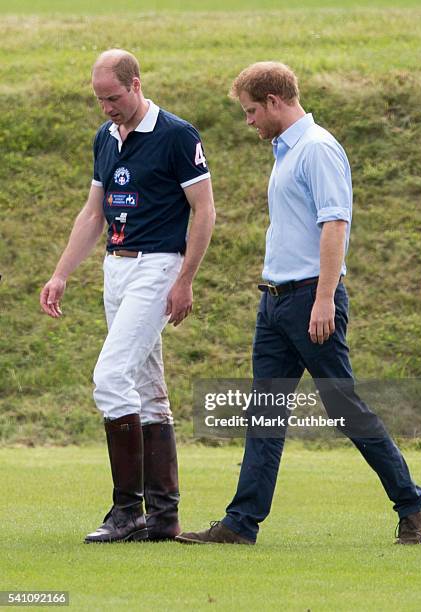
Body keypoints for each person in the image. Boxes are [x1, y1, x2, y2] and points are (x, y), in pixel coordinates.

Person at [176, 62, 421, 546]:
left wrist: (323, 299)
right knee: (265, 412)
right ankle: (240, 524)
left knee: (345, 408)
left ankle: (413, 503)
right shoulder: (285, 152)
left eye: (251, 111)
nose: (248, 121)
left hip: (310, 301)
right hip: (275, 303)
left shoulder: (317, 149)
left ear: (275, 101)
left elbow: (334, 225)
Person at [40, 49, 216, 543]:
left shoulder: (177, 135)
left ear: (135, 84)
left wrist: (185, 279)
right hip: (115, 269)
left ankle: (127, 510)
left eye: (113, 98)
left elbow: (204, 211)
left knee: (111, 376)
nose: (107, 108)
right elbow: (93, 213)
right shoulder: (105, 137)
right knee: (148, 391)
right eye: (99, 100)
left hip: (157, 265)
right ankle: (163, 517)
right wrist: (61, 274)